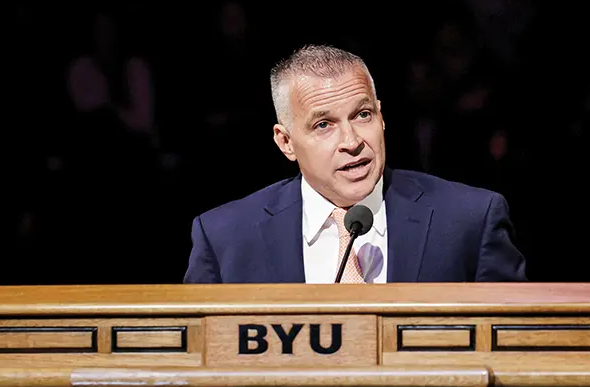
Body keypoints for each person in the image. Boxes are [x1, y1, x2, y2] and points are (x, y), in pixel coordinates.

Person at [184, 44, 527, 284]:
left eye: (363, 115)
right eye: (323, 125)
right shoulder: (225, 238)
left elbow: (514, 350)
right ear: (285, 141)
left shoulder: (470, 220)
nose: (351, 142)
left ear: (381, 116)